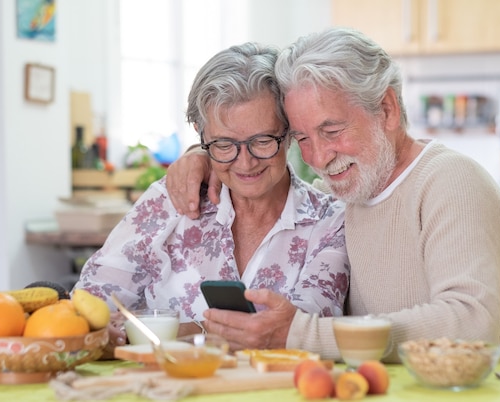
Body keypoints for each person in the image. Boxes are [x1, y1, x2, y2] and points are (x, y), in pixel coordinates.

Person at [165, 27, 500, 362]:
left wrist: (300, 334)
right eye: (302, 138)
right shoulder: (342, 194)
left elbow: (472, 323)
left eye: (331, 131)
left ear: (387, 110)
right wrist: (204, 157)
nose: (319, 157)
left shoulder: (451, 181)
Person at [73, 42, 350, 355]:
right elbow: (87, 303)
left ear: (289, 131)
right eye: (223, 144)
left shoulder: (329, 223)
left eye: (262, 141)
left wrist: (185, 331)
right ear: (200, 134)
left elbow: (306, 331)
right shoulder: (170, 200)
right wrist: (101, 331)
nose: (245, 163)